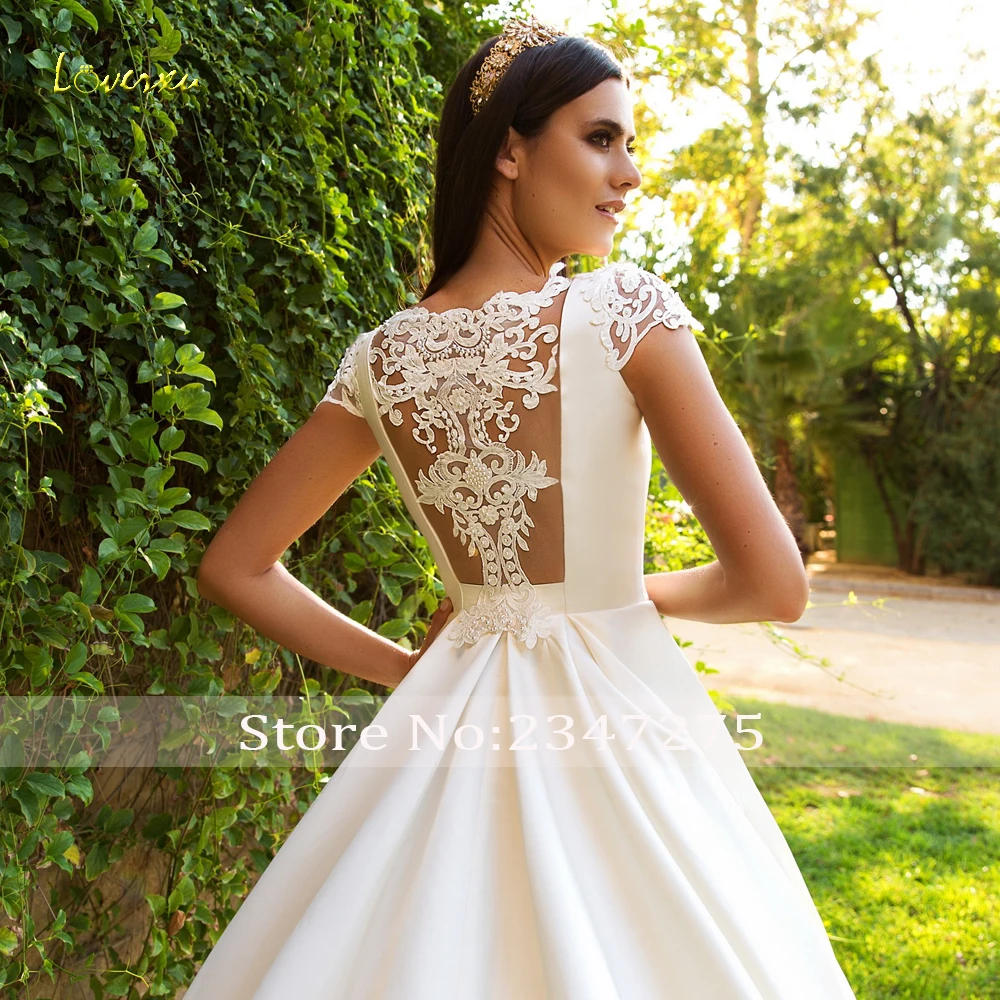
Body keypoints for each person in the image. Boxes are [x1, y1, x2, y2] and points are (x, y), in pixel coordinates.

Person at [188, 14, 857, 999]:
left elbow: (234, 566)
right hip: (615, 725)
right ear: (510, 149)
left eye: (629, 143)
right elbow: (773, 585)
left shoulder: (381, 358)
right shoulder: (622, 313)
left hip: (450, 719)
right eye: (601, 138)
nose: (630, 173)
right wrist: (629, 595)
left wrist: (410, 669)